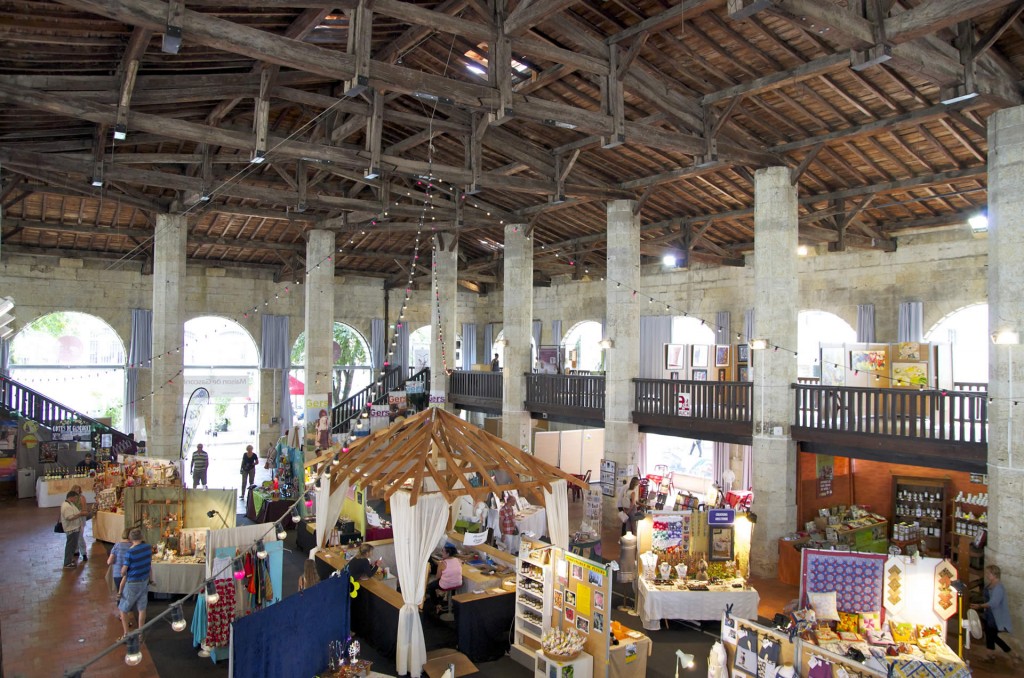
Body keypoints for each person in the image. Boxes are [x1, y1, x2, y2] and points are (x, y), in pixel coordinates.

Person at [972, 565, 1022, 665]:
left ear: (994, 574)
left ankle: (1012, 653)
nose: (986, 575)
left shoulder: (999, 587)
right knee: (990, 635)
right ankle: (990, 655)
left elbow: (994, 603)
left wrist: (980, 606)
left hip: (995, 616)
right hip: (989, 614)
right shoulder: (992, 584)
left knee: (993, 636)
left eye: (988, 573)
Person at [118, 528, 153, 639]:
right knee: (142, 608)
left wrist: (122, 571)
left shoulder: (130, 552)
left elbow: (124, 571)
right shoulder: (148, 548)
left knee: (123, 609)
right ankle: (140, 633)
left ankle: (126, 634)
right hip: (144, 581)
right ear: (141, 537)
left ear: (130, 539)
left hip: (133, 582)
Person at [426, 545, 463, 614]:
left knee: (430, 587)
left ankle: (437, 605)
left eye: (443, 551)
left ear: (448, 553)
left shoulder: (442, 563)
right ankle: (450, 601)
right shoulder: (459, 560)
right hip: (458, 583)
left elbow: (437, 577)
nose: (441, 553)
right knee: (452, 581)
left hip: (445, 585)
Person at [60, 490, 88, 569]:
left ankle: (69, 560)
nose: (76, 500)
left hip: (75, 528)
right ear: (71, 497)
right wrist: (80, 514)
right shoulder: (66, 506)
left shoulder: (70, 504)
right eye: (75, 498)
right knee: (70, 547)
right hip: (71, 529)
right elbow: (69, 517)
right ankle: (67, 563)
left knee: (72, 546)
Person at [107, 529, 132, 617]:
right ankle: (127, 614)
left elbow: (109, 561)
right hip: (130, 574)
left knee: (120, 593)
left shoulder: (117, 545)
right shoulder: (133, 546)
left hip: (118, 573)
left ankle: (122, 615)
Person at [70, 484, 91, 561]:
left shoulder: (82, 498)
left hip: (80, 518)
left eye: (78, 491)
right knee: (74, 535)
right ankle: (76, 550)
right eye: (75, 490)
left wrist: (81, 513)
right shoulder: (71, 499)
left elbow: (84, 509)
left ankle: (84, 553)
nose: (77, 492)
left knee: (80, 536)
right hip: (73, 518)